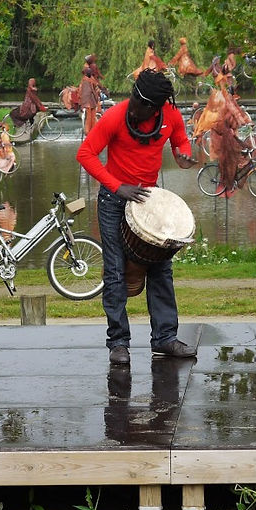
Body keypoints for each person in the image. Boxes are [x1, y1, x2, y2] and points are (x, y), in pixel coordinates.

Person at [75, 71, 198, 365]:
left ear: (155, 108)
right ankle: (119, 344)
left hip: (148, 202)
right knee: (115, 272)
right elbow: (86, 154)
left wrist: (182, 154)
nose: (132, 106)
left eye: (140, 104)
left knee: (160, 270)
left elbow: (181, 140)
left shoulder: (170, 115)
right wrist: (118, 186)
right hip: (114, 201)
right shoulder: (116, 116)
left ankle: (165, 339)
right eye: (133, 98)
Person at [78, 67, 99, 136]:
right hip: (89, 102)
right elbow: (86, 93)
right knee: (90, 118)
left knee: (91, 117)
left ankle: (92, 131)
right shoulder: (86, 81)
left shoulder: (86, 80)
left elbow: (85, 92)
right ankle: (89, 132)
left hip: (90, 102)